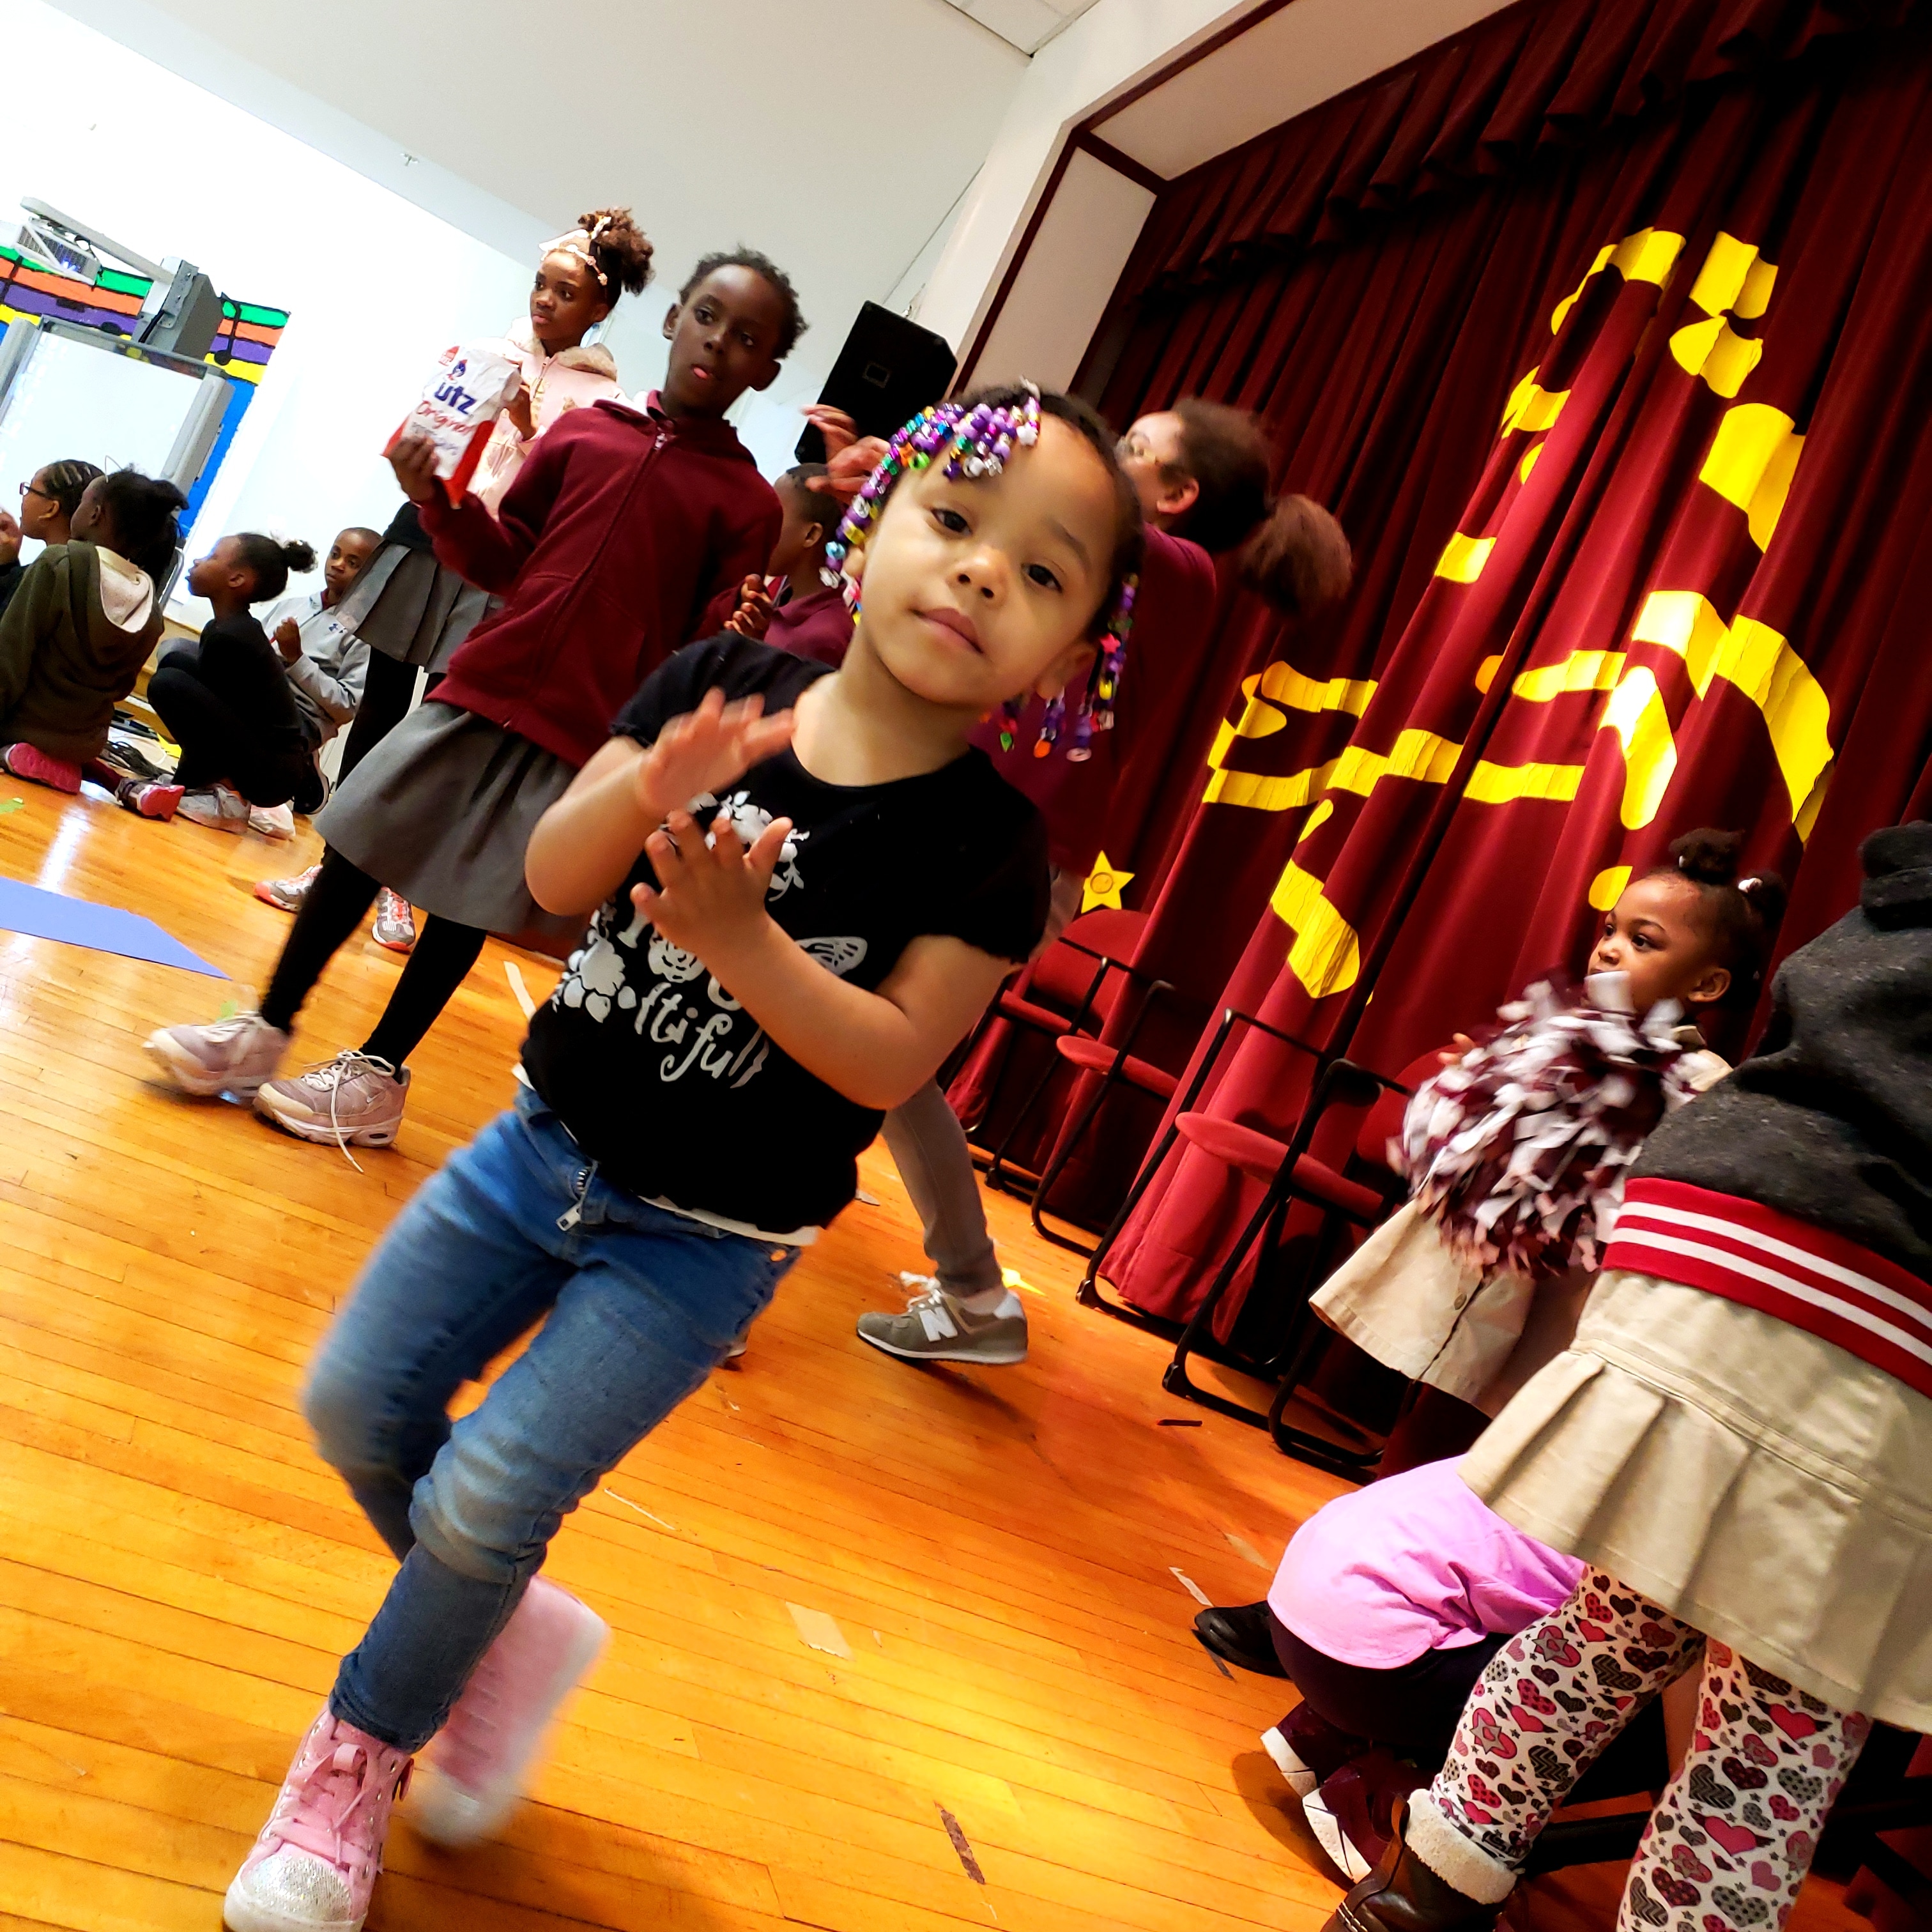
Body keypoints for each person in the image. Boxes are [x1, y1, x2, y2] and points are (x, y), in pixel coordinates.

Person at [213, 385, 1141, 1932]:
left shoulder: (989, 848)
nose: (985, 572)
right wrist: (648, 786)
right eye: (957, 522)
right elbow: (547, 867)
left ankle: (357, 1756)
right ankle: (500, 1629)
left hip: (705, 1243)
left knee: (487, 1499)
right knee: (352, 1406)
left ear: (1070, 658)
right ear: (872, 528)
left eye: (1044, 573)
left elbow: (890, 1062)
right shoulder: (720, 685)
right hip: (536, 1146)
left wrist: (741, 940)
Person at [1328, 818, 1932, 1932]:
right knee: (1778, 1728)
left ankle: (1417, 1896)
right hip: (1883, 1303)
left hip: (1698, 1248)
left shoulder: (1878, 919)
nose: (1610, 951)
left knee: (1606, 1624)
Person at [146, 250, 801, 1151]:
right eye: (708, 316)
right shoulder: (586, 435)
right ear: (672, 319)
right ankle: (264, 1029)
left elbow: (703, 649)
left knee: (471, 902)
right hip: (481, 684)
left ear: (766, 370)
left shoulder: (747, 503)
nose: (719, 343)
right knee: (357, 847)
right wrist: (438, 501)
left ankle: (377, 1075)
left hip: (584, 734)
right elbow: (505, 558)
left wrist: (736, 631)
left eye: (748, 339)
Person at [855, 394, 1352, 1368]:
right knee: (883, 1064)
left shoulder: (1173, 568)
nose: (1101, 456)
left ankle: (738, 1253)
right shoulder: (1137, 563)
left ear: (1177, 494)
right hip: (978, 837)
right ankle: (967, 1292)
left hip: (1009, 854)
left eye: (1131, 448)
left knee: (866, 1051)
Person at [1310, 831, 1781, 1475]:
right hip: (1486, 1271)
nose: (1610, 948)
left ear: (1707, 983)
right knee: (1440, 1402)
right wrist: (1476, 1085)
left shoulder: (1698, 1082)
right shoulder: (1555, 1034)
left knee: (1489, 1429)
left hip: (1566, 1295)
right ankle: (1393, 1503)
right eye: (1610, 930)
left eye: (1643, 942)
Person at [316, 208, 656, 949]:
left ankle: (400, 888)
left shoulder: (606, 405)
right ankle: (335, 865)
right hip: (426, 533)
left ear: (600, 308)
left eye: (566, 293)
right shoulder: (481, 353)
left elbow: (574, 502)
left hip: (499, 562)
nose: (545, 301)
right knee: (380, 708)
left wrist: (531, 431)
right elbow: (426, 439)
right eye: (541, 284)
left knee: (438, 728)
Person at [1255, 1456, 1668, 1883]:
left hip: (1301, 1607)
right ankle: (1394, 1804)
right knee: (1651, 1726)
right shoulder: (1659, 1553)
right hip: (1362, 1664)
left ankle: (1326, 1737)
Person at [0, 468, 182, 796]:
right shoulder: (150, 606)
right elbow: (122, 688)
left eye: (84, 501)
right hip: (85, 743)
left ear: (96, 514)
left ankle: (24, 754)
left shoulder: (58, 563)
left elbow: (10, 655)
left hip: (25, 727)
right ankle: (94, 776)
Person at [142, 534, 330, 832]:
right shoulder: (228, 628)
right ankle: (204, 785)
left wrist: (183, 783)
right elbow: (217, 718)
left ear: (237, 579)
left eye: (212, 557)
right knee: (175, 662)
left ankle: (226, 798)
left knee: (167, 684)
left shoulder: (232, 637)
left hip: (270, 773)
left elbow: (213, 729)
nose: (197, 561)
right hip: (260, 754)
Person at [744, 463, 857, 666]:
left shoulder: (822, 639)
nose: (762, 528)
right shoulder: (780, 595)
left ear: (811, 535)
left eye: (775, 517)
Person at [0, 459, 103, 619]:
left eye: (29, 489)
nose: (23, 498)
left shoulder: (43, 578)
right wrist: (9, 563)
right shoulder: (91, 580)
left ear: (51, 509)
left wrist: (5, 567)